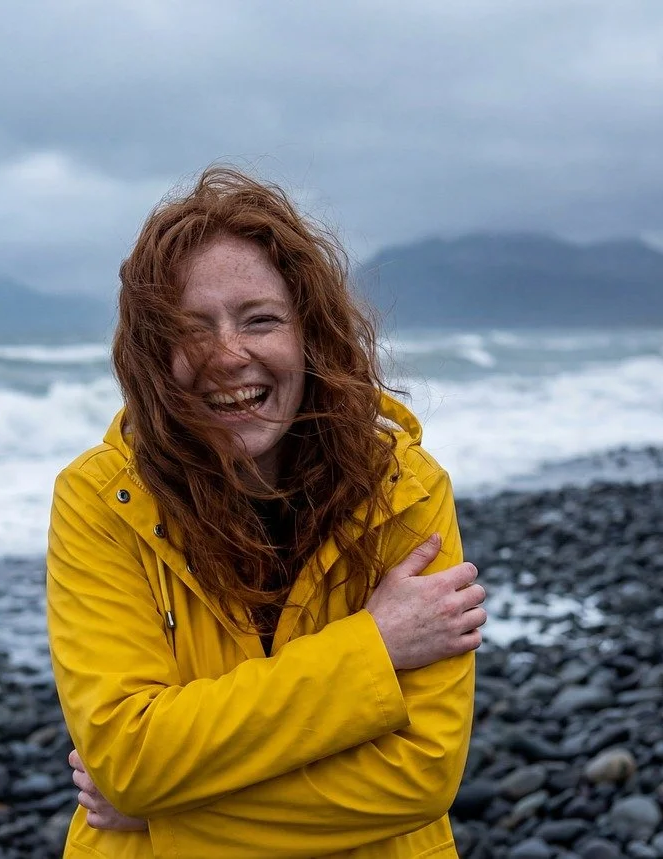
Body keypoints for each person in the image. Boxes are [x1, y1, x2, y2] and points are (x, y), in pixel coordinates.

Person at [46, 166, 487, 858]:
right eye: (192, 330)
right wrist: (373, 647)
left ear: (310, 336)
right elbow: (128, 756)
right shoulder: (100, 498)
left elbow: (420, 774)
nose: (229, 355)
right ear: (152, 358)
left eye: (260, 320)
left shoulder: (405, 488)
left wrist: (166, 816)